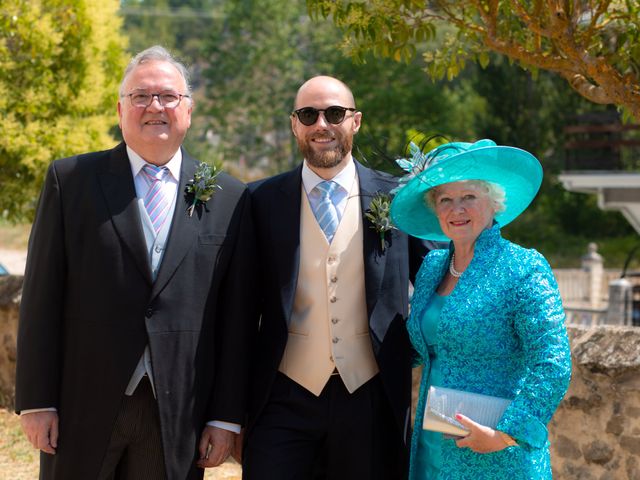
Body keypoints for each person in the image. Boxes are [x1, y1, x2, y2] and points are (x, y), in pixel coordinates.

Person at [15, 45, 255, 480]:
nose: (154, 108)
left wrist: (224, 417)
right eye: (141, 97)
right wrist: (37, 401)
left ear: (189, 109)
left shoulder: (230, 197)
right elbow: (40, 296)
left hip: (179, 411)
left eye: (168, 97)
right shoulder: (70, 182)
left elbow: (234, 319)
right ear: (120, 108)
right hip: (81, 405)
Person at [242, 76, 434, 479]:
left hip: (372, 398)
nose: (321, 125)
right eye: (308, 115)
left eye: (334, 113)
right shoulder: (258, 200)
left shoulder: (398, 199)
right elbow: (237, 311)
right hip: (282, 398)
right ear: (295, 124)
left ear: (356, 121)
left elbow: (440, 279)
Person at [389, 139, 572, 479]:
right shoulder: (431, 266)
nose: (456, 209)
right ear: (436, 210)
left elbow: (553, 363)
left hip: (496, 451)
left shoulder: (523, 266)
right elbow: (428, 346)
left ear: (493, 203)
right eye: (445, 200)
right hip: (433, 442)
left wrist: (506, 433)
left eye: (469, 197)